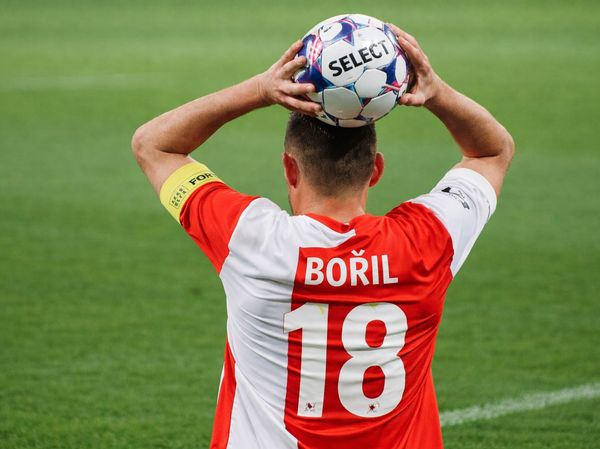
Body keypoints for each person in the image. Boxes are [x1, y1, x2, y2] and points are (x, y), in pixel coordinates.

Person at [132, 24, 514, 449]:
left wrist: (260, 90)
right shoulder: (427, 239)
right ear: (376, 170)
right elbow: (491, 152)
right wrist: (437, 93)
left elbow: (153, 145)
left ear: (289, 169)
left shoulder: (251, 239)